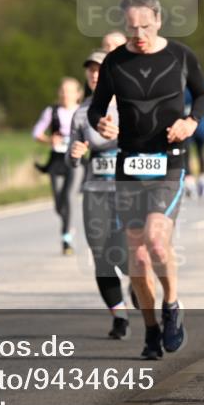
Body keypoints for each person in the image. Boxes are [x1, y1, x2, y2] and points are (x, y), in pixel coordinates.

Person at [88, 0, 204, 361]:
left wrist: (190, 122)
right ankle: (152, 329)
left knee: (157, 242)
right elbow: (96, 109)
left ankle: (172, 305)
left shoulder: (180, 56)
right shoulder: (115, 61)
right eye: (130, 28)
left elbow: (202, 95)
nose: (138, 34)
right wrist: (103, 124)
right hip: (129, 163)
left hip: (168, 162)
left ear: (158, 20)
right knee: (137, 258)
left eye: (144, 26)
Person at [68, 50, 131, 339]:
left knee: (124, 255)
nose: (95, 75)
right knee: (101, 256)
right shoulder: (81, 112)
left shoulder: (130, 104)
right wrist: (75, 154)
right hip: (95, 192)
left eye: (100, 69)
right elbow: (72, 157)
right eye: (90, 70)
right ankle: (119, 316)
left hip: (128, 190)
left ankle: (142, 286)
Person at [33, 77, 84, 255]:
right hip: (57, 160)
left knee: (70, 196)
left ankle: (66, 237)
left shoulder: (83, 110)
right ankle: (68, 225)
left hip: (76, 160)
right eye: (62, 90)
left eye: (69, 91)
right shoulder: (52, 111)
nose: (65, 94)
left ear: (78, 94)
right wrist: (49, 140)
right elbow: (36, 133)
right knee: (58, 203)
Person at [183, 82, 204, 198]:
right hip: (201, 126)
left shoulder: (183, 87)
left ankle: (191, 182)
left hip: (190, 127)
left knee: (187, 155)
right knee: (200, 154)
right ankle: (202, 181)